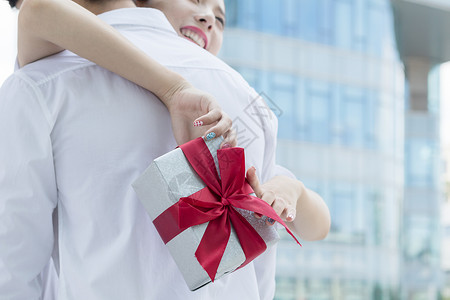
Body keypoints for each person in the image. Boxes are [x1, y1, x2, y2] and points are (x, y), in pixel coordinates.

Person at [0, 0, 331, 299]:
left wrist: (293, 190)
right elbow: (259, 277)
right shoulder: (247, 99)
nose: (207, 20)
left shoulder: (40, 84)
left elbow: (13, 267)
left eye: (219, 17)